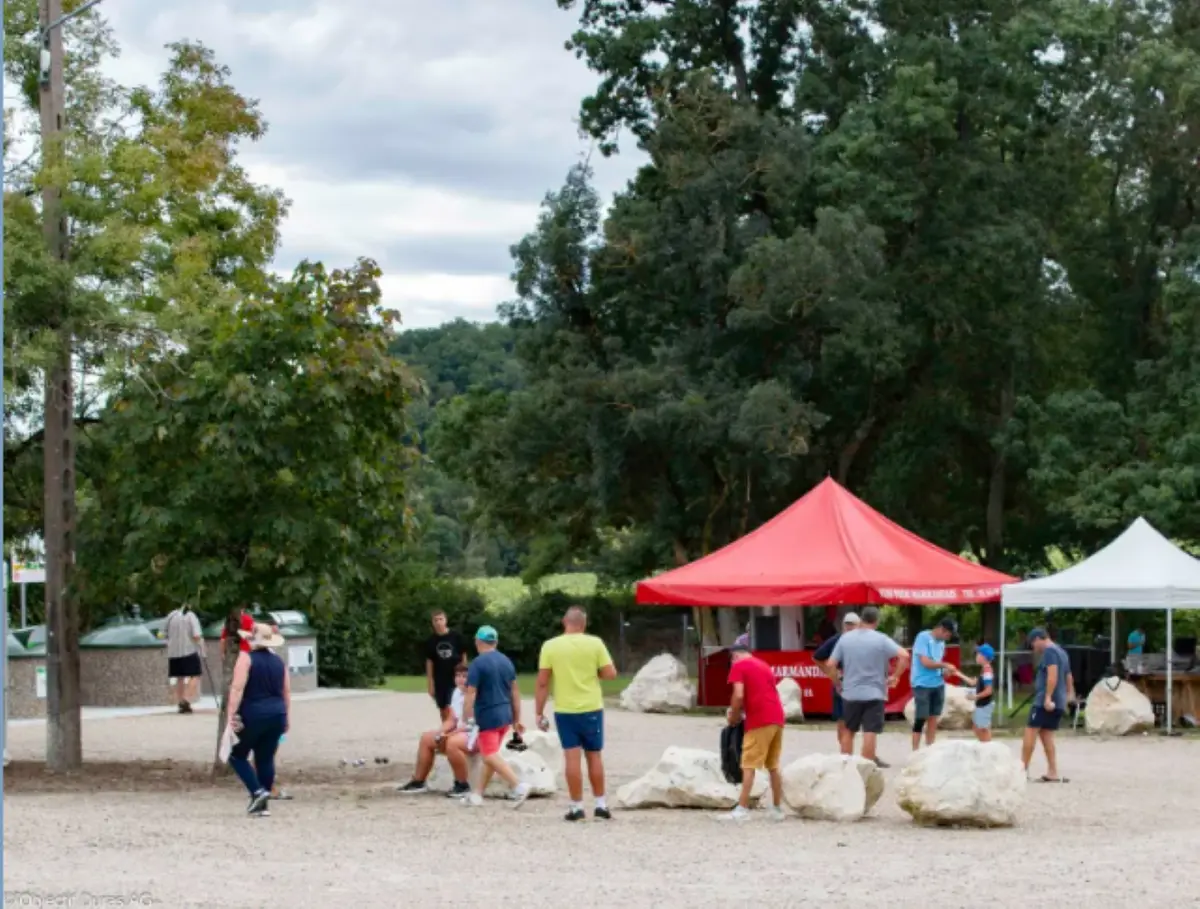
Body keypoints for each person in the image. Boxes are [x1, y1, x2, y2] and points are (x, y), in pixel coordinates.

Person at [535, 606, 617, 821]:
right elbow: (610, 673)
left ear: (565, 621)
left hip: (565, 709)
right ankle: (600, 805)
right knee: (594, 755)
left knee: (571, 756)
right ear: (584, 624)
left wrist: (538, 712)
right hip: (591, 707)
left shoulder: (550, 646)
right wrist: (592, 674)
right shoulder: (595, 643)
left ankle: (576, 807)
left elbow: (543, 682)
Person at [825, 606, 910, 767]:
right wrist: (895, 676)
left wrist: (837, 682)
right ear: (876, 621)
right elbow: (904, 655)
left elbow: (830, 664)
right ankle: (866, 769)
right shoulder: (881, 639)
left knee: (848, 730)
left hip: (850, 693)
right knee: (870, 732)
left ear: (861, 619)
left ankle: (845, 767)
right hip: (875, 692)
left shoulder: (845, 639)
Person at [225, 623, 290, 817]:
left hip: (253, 712)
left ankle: (257, 791)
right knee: (265, 757)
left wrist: (231, 714)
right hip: (277, 713)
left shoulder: (246, 659)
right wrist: (287, 716)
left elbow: (237, 688)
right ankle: (262, 803)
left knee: (236, 754)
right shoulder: (279, 662)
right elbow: (286, 692)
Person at [462, 625, 530, 808]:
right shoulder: (506, 661)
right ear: (496, 642)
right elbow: (515, 692)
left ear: (478, 641)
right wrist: (516, 718)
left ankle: (518, 785)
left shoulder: (477, 664)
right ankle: (477, 794)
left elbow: (471, 694)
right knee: (491, 757)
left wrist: (466, 718)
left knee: (489, 756)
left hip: (488, 716)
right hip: (505, 716)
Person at [723, 643, 787, 822]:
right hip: (777, 717)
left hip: (759, 720)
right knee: (773, 765)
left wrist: (734, 715)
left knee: (748, 764)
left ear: (734, 656)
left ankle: (742, 809)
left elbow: (739, 694)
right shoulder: (763, 665)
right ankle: (776, 808)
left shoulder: (738, 666)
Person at [398, 663, 472, 798]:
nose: (460, 679)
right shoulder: (456, 692)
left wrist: (449, 734)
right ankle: (419, 781)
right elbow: (452, 719)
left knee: (451, 742)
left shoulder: (474, 695)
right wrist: (441, 731)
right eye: (457, 676)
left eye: (464, 676)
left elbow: (471, 724)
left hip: (471, 733)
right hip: (458, 731)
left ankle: (462, 784)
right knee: (427, 738)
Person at [909, 616, 969, 751]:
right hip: (922, 683)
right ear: (942, 629)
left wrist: (944, 672)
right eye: (949, 634)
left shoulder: (941, 644)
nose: (949, 638)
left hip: (937, 683)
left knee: (934, 717)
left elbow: (937, 664)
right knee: (921, 717)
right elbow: (925, 662)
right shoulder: (923, 637)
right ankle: (915, 750)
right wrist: (944, 664)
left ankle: (930, 748)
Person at [1022, 627, 1073, 782]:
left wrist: (1047, 697)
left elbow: (1053, 675)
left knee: (1030, 731)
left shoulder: (1050, 652)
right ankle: (1053, 771)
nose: (1034, 648)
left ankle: (1021, 769)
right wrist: (1068, 695)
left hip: (1045, 701)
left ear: (1038, 638)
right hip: (1059, 700)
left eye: (1033, 644)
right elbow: (1069, 676)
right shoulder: (1062, 652)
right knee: (1046, 735)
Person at [815, 612, 860, 746]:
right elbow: (817, 657)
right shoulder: (837, 639)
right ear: (843, 626)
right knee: (843, 720)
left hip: (855, 683)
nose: (850, 628)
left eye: (852, 626)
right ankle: (844, 753)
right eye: (848, 625)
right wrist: (831, 674)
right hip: (841, 684)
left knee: (851, 721)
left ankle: (846, 752)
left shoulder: (861, 640)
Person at [426, 610, 468, 723]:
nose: (438, 622)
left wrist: (464, 675)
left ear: (446, 620)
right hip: (440, 678)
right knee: (443, 707)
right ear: (432, 623)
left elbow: (463, 655)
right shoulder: (431, 640)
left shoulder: (456, 636)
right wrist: (430, 682)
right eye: (436, 620)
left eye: (441, 619)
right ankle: (445, 731)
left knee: (455, 706)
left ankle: (456, 728)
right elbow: (430, 662)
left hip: (455, 677)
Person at [163, 603, 203, 713]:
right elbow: (196, 635)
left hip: (174, 652)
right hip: (189, 650)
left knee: (179, 677)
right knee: (195, 675)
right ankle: (187, 699)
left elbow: (163, 633)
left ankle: (180, 701)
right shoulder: (191, 616)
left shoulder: (170, 616)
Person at [966, 644, 996, 742]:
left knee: (982, 729)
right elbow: (983, 684)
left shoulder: (987, 671)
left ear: (983, 656)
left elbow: (988, 690)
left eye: (978, 654)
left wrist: (975, 696)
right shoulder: (984, 670)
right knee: (976, 727)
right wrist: (976, 682)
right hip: (982, 704)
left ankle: (987, 748)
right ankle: (985, 745)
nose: (976, 656)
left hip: (984, 705)